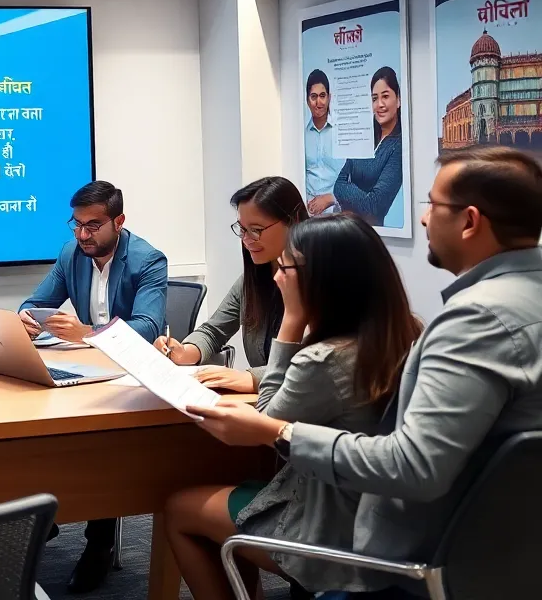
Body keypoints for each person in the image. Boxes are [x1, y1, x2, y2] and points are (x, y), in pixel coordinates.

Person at [189, 146, 542, 599]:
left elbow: (413, 467)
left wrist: (281, 432)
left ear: (470, 221)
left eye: (432, 205)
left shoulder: (476, 322)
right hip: (510, 554)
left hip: (414, 564)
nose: (422, 219)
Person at [163, 214, 420, 600]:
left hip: (328, 526)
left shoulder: (323, 359)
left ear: (319, 280)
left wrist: (292, 322)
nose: (277, 277)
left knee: (180, 508)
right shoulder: (408, 332)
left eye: (286, 268)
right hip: (388, 519)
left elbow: (265, 421)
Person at [18, 180, 167, 593]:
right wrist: (26, 318)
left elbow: (148, 326)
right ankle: (41, 515)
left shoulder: (147, 260)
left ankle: (99, 543)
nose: (83, 235)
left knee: (102, 442)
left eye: (93, 226)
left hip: (130, 376)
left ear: (118, 222)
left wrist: (87, 333)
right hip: (88, 371)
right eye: (77, 225)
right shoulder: (72, 254)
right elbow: (33, 301)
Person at [157, 176, 309, 392]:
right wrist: (184, 351)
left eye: (256, 229)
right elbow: (213, 331)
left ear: (292, 221)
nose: (246, 240)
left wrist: (252, 378)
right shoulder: (253, 279)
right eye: (242, 229)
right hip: (264, 403)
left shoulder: (323, 279)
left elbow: (319, 362)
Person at [324, 66, 404, 227]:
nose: (379, 104)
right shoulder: (364, 136)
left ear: (399, 100)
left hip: (371, 234)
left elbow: (375, 206)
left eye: (386, 96)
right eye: (375, 98)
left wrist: (347, 191)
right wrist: (361, 195)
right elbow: (338, 185)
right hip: (343, 228)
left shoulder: (398, 147)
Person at [303, 69, 344, 215]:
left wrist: (330, 198)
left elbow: (355, 179)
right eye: (313, 96)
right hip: (308, 215)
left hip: (338, 213)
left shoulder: (342, 132)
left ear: (329, 98)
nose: (318, 102)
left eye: (322, 96)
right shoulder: (302, 135)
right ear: (307, 100)